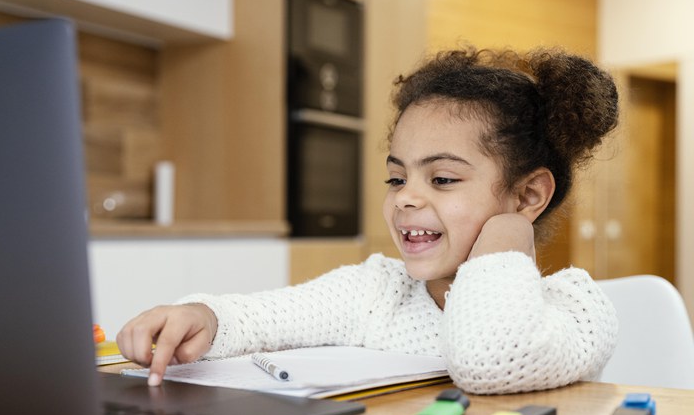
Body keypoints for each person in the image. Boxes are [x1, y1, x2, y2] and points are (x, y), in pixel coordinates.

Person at [117, 46, 620, 395]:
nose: (405, 199)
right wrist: (203, 317)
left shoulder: (577, 310)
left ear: (530, 193)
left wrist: (508, 235)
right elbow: (261, 318)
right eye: (397, 179)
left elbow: (490, 359)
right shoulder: (378, 291)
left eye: (442, 179)